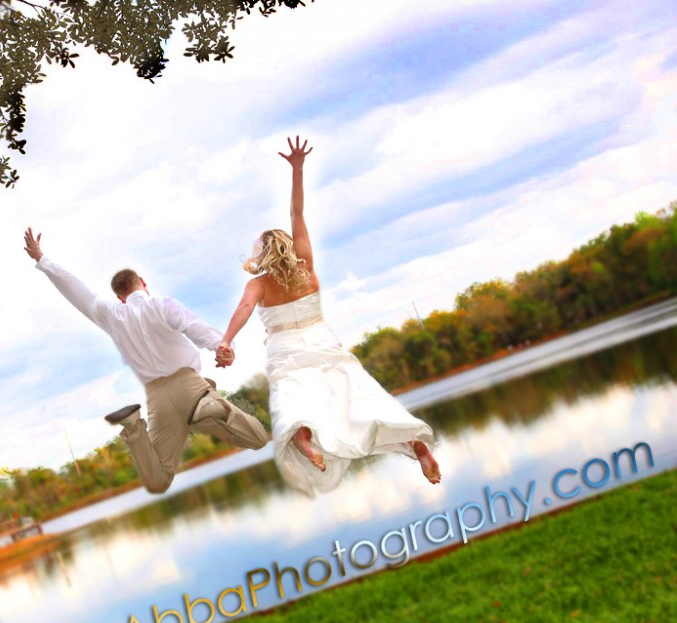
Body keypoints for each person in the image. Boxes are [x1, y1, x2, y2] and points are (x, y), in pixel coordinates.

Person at [214, 137, 441, 497]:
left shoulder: (258, 285)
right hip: (322, 340)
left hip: (286, 349)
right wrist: (298, 170)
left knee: (293, 398)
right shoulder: (305, 266)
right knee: (360, 394)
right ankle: (416, 445)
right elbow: (297, 213)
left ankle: (304, 439)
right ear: (286, 246)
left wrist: (226, 341)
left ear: (261, 255)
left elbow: (243, 310)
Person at [23, 228, 269, 494]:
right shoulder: (162, 305)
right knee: (256, 438)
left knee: (158, 482)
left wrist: (43, 260)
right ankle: (212, 408)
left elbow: (76, 289)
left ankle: (132, 427)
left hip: (156, 399)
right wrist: (223, 347)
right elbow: (196, 329)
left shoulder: (109, 313)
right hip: (190, 390)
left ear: (120, 297)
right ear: (142, 281)